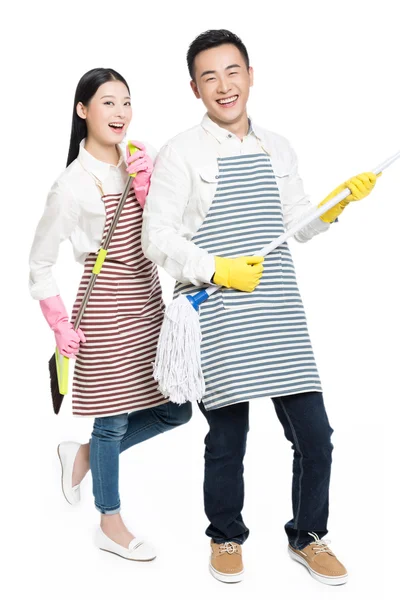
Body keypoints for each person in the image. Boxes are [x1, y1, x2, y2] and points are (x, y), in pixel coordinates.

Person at [141, 30, 377, 584]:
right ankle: (225, 536)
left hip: (277, 308)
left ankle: (308, 537)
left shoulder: (279, 146)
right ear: (195, 88)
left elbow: (300, 225)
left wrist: (338, 202)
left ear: (250, 74)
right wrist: (216, 268)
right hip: (217, 308)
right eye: (209, 77)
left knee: (315, 436)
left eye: (232, 72)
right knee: (228, 439)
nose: (224, 86)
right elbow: (158, 236)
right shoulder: (182, 151)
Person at [29, 68, 191, 562]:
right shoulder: (70, 185)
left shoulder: (142, 158)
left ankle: (80, 456)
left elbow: (173, 226)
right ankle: (109, 521)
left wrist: (151, 182)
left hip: (147, 302)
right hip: (101, 310)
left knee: (177, 408)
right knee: (112, 423)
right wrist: (58, 322)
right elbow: (39, 263)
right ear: (83, 111)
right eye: (108, 103)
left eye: (126, 102)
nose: (120, 113)